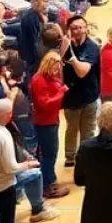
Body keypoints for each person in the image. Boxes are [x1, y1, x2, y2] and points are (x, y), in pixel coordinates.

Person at [61, 15, 101, 169]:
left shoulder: (92, 47)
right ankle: (70, 156)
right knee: (71, 128)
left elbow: (82, 72)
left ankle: (86, 157)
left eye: (80, 27)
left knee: (88, 130)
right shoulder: (63, 46)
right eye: (73, 28)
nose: (77, 31)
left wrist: (70, 57)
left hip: (89, 96)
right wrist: (65, 47)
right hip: (70, 97)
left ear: (86, 28)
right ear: (68, 31)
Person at [30, 50, 70, 199]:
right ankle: (48, 186)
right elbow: (44, 104)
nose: (58, 68)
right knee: (49, 155)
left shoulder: (48, 77)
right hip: (45, 123)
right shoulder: (39, 80)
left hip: (51, 120)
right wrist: (61, 92)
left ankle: (47, 183)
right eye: (55, 65)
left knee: (49, 153)